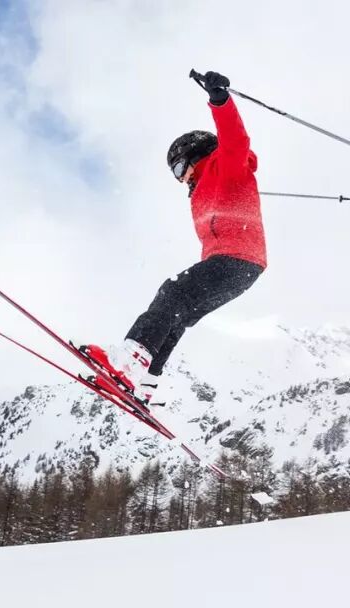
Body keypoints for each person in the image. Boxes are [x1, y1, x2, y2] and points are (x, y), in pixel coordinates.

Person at [82, 70, 266, 405]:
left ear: (196, 156)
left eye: (180, 170)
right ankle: (146, 380)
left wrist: (220, 101)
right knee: (177, 312)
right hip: (238, 267)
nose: (181, 180)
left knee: (172, 292)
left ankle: (129, 362)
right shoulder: (202, 191)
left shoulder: (225, 165)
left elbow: (236, 142)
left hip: (237, 260)